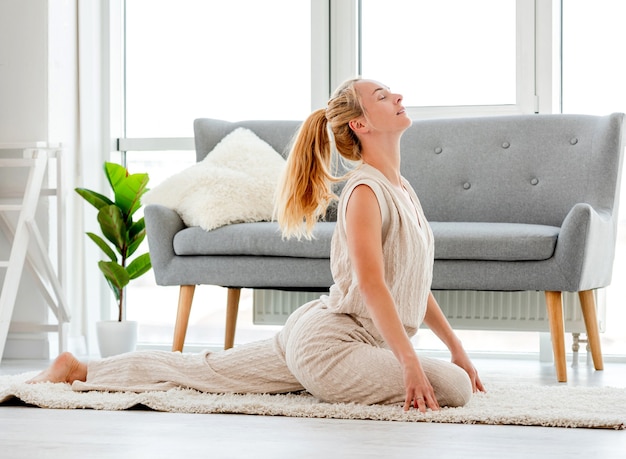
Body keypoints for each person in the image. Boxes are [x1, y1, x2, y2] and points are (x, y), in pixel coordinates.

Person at [28, 78, 484, 412]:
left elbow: (408, 284)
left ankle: (79, 369)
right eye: (383, 96)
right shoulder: (365, 193)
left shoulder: (402, 188)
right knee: (454, 388)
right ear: (361, 124)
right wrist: (410, 363)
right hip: (333, 345)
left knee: (203, 372)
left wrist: (455, 346)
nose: (398, 96)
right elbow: (371, 285)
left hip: (330, 338)